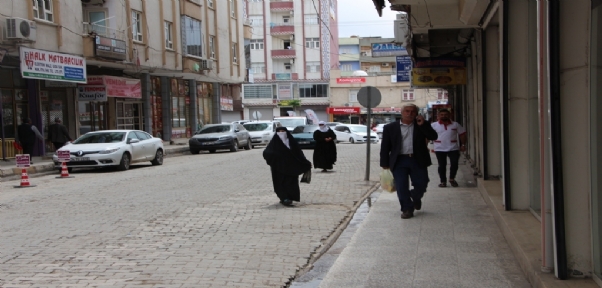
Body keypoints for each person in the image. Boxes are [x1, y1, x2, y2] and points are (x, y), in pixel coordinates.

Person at [380, 104, 438, 219]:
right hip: (399, 160)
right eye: (407, 111)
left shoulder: (421, 125)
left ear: (416, 114)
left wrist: (423, 125)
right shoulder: (390, 127)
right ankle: (407, 209)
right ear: (402, 112)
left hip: (418, 159)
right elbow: (385, 147)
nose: (409, 113)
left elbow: (433, 136)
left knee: (422, 183)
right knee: (401, 186)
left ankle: (415, 197)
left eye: (413, 112)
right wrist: (384, 163)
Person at [263, 126, 312, 206]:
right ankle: (284, 198)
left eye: (283, 131)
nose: (281, 133)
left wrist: (305, 162)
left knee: (291, 183)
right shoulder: (274, 143)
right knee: (280, 183)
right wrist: (275, 156)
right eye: (279, 131)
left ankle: (290, 197)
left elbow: (299, 154)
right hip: (278, 167)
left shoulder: (292, 142)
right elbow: (266, 153)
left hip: (291, 167)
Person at [431, 109, 467, 187]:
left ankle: (452, 179)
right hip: (439, 148)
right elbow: (427, 136)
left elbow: (462, 134)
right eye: (442, 115)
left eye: (446, 114)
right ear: (439, 116)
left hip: (453, 148)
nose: (444, 116)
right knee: (442, 165)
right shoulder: (433, 125)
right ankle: (443, 181)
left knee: (454, 163)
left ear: (449, 115)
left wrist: (463, 145)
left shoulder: (455, 124)